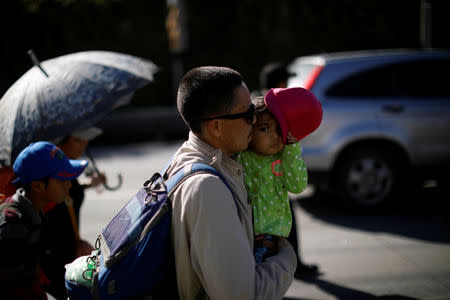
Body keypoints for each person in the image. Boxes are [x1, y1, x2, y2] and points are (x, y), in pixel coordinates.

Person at [164, 66, 297, 300]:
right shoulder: (207, 189)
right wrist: (287, 257)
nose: (255, 119)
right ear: (216, 126)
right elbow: (242, 295)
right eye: (247, 115)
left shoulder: (186, 158)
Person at [0, 141, 88, 300]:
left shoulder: (32, 213)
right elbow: (11, 291)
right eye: (62, 179)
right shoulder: (13, 224)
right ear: (38, 186)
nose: (69, 185)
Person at [236, 95, 308, 264]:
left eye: (279, 128)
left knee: (265, 280)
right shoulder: (240, 155)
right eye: (265, 129)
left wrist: (291, 151)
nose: (275, 136)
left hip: (271, 237)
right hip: (242, 233)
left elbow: (298, 187)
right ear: (249, 131)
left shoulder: (283, 158)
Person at [39, 127, 106, 300]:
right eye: (78, 140)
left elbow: (71, 191)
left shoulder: (65, 170)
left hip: (69, 250)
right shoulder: (50, 170)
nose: (84, 144)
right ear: (62, 141)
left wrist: (88, 183)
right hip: (55, 259)